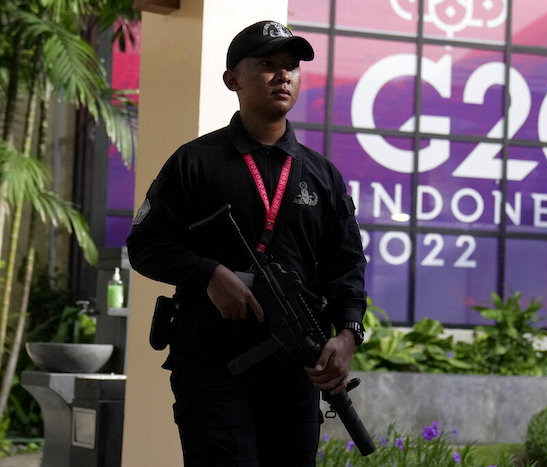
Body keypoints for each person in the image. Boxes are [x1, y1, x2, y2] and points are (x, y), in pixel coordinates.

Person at [127, 20, 367, 467]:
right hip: (212, 365)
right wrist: (207, 274)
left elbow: (346, 266)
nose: (283, 75)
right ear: (232, 79)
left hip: (295, 368)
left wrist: (348, 333)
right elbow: (145, 245)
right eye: (267, 65)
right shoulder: (195, 162)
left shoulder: (322, 175)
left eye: (292, 67)